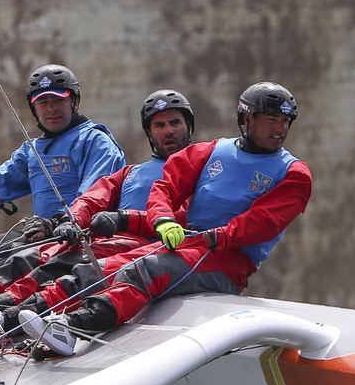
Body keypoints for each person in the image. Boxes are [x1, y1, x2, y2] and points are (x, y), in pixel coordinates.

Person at [18, 81, 310, 357]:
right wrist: (163, 220)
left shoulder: (294, 173)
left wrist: (217, 236)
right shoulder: (212, 150)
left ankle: (72, 327)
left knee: (147, 269)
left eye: (285, 121)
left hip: (228, 260)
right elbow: (165, 187)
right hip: (187, 243)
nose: (280, 128)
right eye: (271, 119)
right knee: (96, 269)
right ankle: (11, 321)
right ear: (246, 119)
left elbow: (264, 222)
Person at [0, 89, 196, 328]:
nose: (168, 131)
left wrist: (123, 219)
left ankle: (4, 316)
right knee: (37, 254)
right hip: (105, 239)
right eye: (159, 125)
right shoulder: (131, 172)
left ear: (189, 127)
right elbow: (93, 198)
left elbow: (192, 216)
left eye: (175, 123)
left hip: (147, 247)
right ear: (149, 132)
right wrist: (69, 220)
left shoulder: (200, 173)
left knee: (67, 262)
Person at [0, 63, 125, 234]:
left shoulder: (95, 141)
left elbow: (95, 195)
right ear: (33, 108)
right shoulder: (31, 151)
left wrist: (59, 222)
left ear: (75, 102)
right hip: (42, 238)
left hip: (82, 241)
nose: (51, 109)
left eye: (58, 101)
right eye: (43, 102)